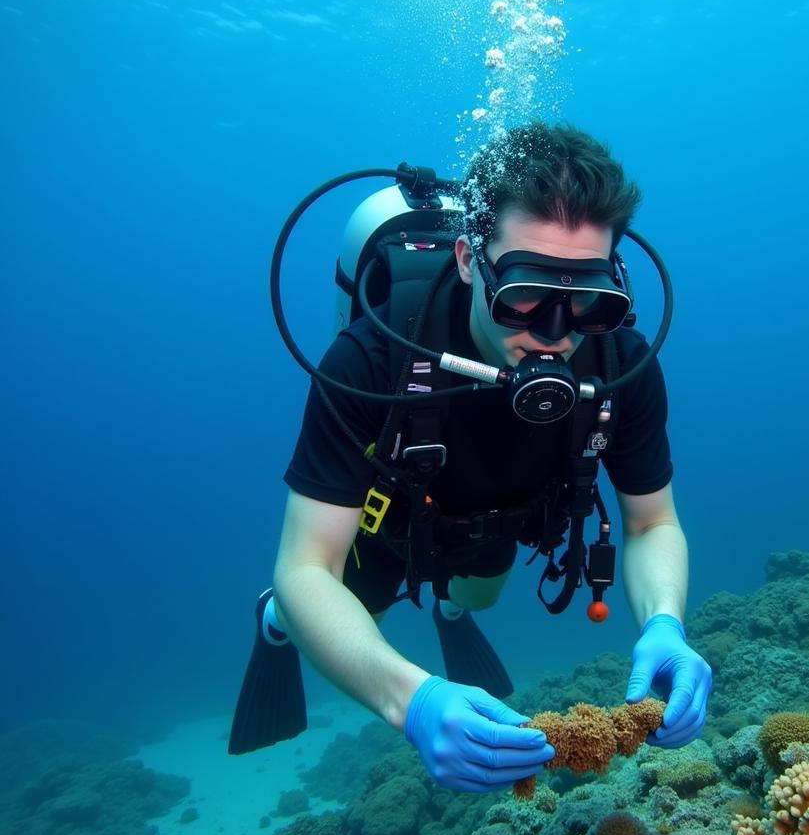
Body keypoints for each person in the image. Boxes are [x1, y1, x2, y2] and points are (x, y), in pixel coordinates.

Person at [230, 122, 712, 792]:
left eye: (587, 300)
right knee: (332, 612)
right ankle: (272, 623)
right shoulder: (373, 359)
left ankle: (451, 613)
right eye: (523, 293)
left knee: (476, 594)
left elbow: (651, 523)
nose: (553, 334)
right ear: (466, 260)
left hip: (502, 522)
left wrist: (666, 622)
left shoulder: (620, 366)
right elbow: (307, 565)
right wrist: (412, 698)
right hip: (388, 522)